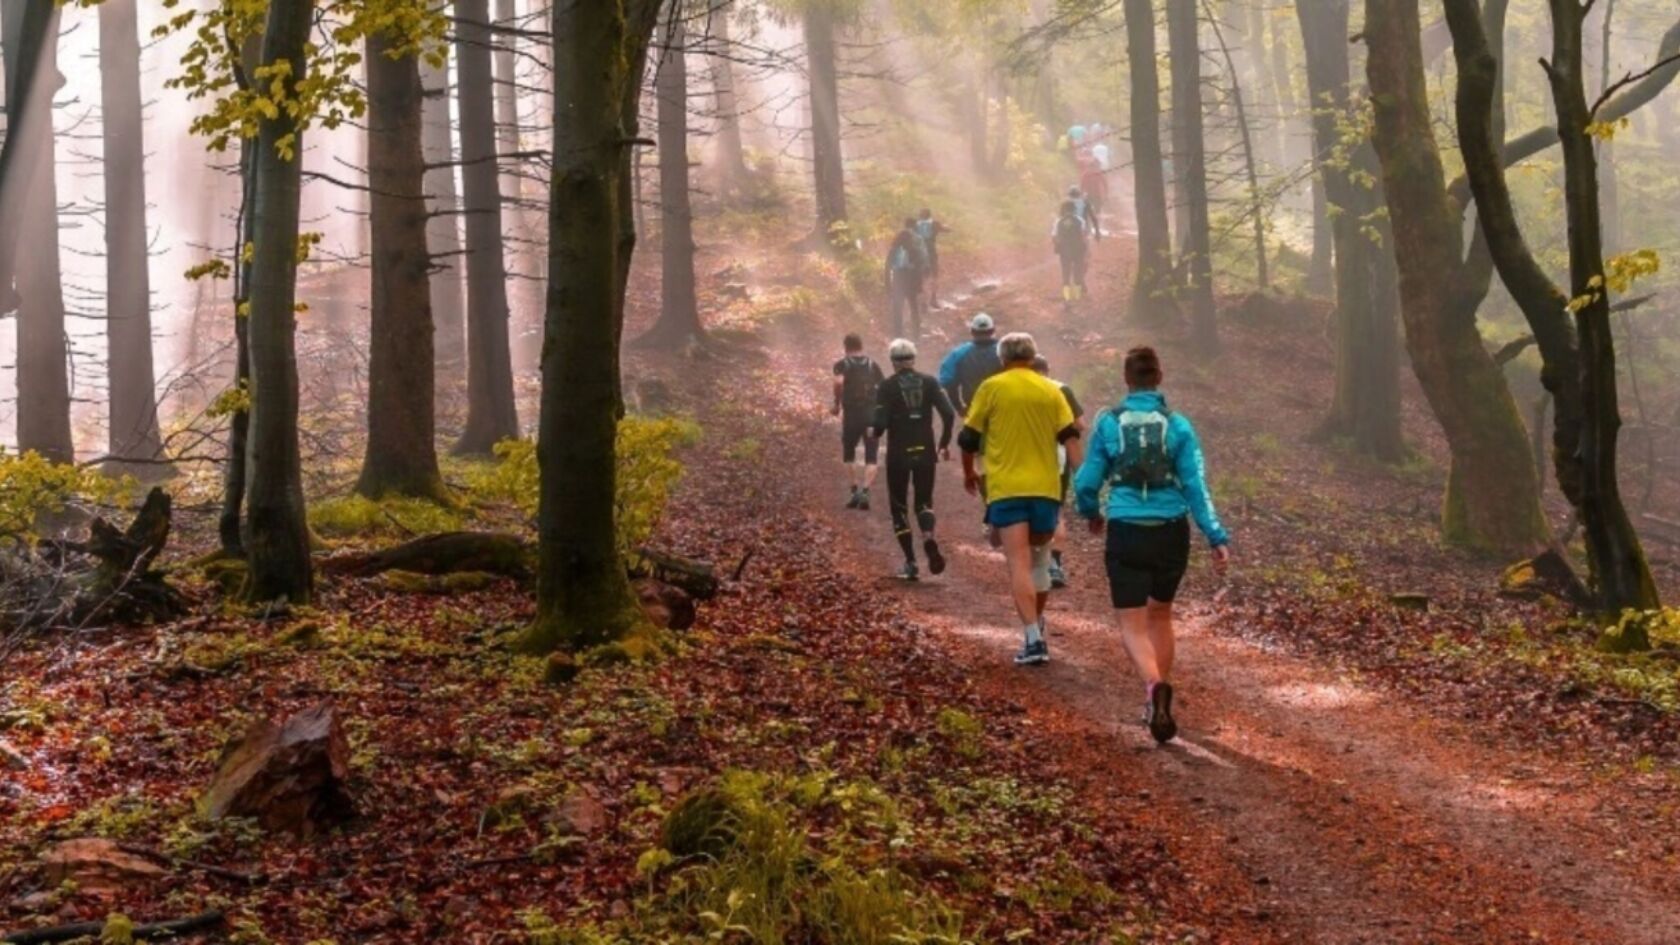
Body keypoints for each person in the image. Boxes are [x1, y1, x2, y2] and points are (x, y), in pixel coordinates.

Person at [1074, 346, 1230, 743]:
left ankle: (1153, 687)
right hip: (1171, 532)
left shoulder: (1109, 423)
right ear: (1159, 378)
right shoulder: (1178, 425)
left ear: (1127, 380)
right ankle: (1158, 698)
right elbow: (1195, 485)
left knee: (1131, 622)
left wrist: (1091, 512)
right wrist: (1215, 535)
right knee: (1160, 614)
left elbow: (1087, 481)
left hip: (1126, 529)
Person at [959, 333, 1083, 667]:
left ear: (1002, 358)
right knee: (1040, 562)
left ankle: (1032, 638)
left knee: (1018, 563)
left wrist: (969, 473)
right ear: (1031, 356)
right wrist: (1084, 482)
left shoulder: (992, 387)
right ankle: (1036, 625)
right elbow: (1071, 437)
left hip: (1008, 489)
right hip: (1046, 490)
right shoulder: (1052, 390)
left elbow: (968, 438)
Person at [873, 338, 955, 581]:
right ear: (913, 359)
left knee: (899, 506)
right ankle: (928, 537)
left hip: (898, 453)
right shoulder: (930, 382)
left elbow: (879, 424)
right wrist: (943, 442)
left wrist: (874, 431)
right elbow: (949, 414)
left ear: (892, 361)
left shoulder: (886, 386)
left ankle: (911, 562)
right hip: (926, 450)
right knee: (924, 502)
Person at [1032, 354, 1085, 589]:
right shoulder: (1061, 389)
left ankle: (1034, 562)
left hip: (1025, 459)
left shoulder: (1018, 391)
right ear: (1048, 369)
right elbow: (1080, 424)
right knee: (1056, 511)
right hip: (1057, 459)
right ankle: (1054, 563)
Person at [832, 333, 884, 510]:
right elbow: (883, 388)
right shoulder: (872, 364)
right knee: (871, 455)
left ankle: (854, 491)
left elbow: (838, 383)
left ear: (845, 347)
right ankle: (866, 491)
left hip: (851, 416)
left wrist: (837, 404)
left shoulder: (841, 364)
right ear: (861, 346)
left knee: (848, 453)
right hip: (870, 416)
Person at [937, 313, 1004, 417]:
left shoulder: (959, 353)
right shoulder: (1006, 351)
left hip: (974, 409)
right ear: (992, 330)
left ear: (972, 331)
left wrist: (958, 407)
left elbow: (949, 382)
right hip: (1002, 408)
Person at [885, 218, 929, 340]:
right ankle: (915, 334)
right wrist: (920, 285)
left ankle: (899, 335)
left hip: (899, 282)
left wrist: (887, 284)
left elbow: (887, 268)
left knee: (898, 309)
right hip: (910, 283)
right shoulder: (914, 250)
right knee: (913, 308)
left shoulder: (894, 250)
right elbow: (919, 268)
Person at [1052, 199, 1090, 309]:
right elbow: (1084, 237)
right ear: (1074, 209)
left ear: (1063, 209)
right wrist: (1087, 251)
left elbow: (1054, 237)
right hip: (1078, 250)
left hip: (1064, 251)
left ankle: (1067, 298)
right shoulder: (1080, 220)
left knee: (1065, 275)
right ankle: (1077, 298)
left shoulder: (1058, 221)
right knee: (1077, 274)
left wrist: (1058, 246)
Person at [914, 209, 951, 309]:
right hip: (931, 253)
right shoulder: (934, 223)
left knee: (922, 278)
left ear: (920, 216)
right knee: (934, 276)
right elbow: (947, 230)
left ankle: (923, 302)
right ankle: (933, 300)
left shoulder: (916, 225)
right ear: (929, 215)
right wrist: (947, 226)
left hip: (919, 254)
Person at [1078, 161, 1108, 241]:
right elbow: (1105, 184)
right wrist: (1106, 194)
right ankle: (1097, 229)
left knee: (1088, 213)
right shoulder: (1097, 173)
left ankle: (1090, 230)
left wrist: (1081, 195)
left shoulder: (1086, 174)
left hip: (1089, 196)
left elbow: (1081, 186)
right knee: (1096, 213)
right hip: (1095, 195)